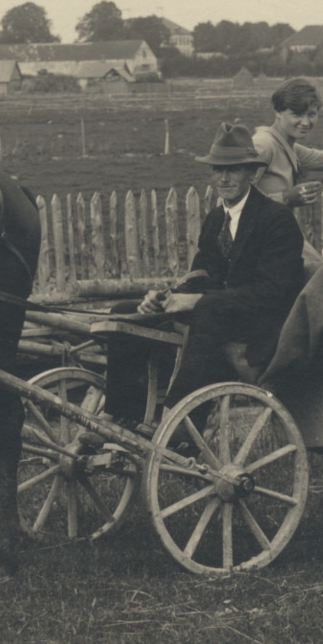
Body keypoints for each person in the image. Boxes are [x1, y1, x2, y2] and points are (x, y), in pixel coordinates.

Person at [101, 122, 306, 425]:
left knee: (209, 307)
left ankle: (181, 419)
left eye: (234, 170)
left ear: (253, 173)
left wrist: (197, 301)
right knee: (124, 312)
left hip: (263, 324)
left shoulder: (276, 220)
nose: (223, 178)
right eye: (218, 170)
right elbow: (203, 272)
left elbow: (274, 291)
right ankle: (121, 414)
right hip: (217, 314)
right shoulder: (215, 219)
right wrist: (167, 297)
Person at [251, 77, 323, 211]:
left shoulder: (288, 147)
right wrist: (285, 197)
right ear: (278, 111)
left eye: (311, 114)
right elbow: (236, 199)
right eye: (297, 114)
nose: (305, 122)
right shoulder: (263, 145)